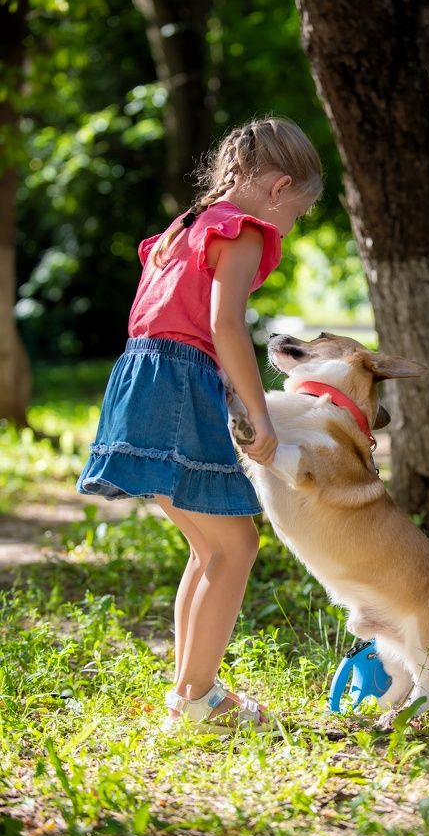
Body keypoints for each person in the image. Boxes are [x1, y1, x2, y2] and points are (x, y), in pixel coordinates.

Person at [77, 116, 323, 734]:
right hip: (178, 383)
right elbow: (226, 327)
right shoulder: (242, 231)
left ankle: (188, 692)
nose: (289, 228)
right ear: (279, 188)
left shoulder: (184, 229)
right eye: (298, 213)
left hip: (141, 380)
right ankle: (200, 700)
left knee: (210, 546)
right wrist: (258, 413)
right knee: (236, 546)